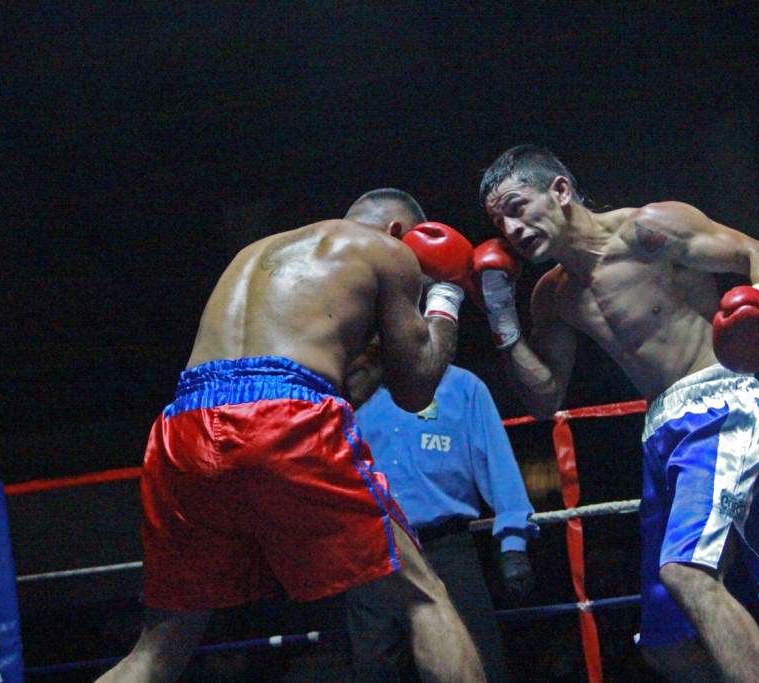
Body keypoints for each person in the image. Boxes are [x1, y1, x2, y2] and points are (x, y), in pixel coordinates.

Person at [95, 189, 486, 683]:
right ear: (397, 232)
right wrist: (446, 291)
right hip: (285, 418)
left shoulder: (254, 254)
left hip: (183, 427)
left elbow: (321, 381)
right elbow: (416, 388)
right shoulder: (388, 251)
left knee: (158, 650)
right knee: (423, 599)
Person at [475, 146, 759, 683]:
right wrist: (502, 318)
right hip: (660, 432)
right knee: (666, 647)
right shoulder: (551, 296)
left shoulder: (649, 231)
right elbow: (544, 398)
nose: (509, 227)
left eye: (516, 206)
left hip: (719, 405)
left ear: (559, 191)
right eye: (497, 220)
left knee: (687, 576)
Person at [347, 363, 539, 682]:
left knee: (474, 665)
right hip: (370, 553)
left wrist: (513, 543)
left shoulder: (461, 386)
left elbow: (497, 460)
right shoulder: (348, 393)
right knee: (379, 671)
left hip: (447, 551)